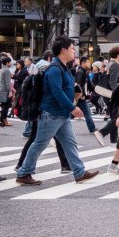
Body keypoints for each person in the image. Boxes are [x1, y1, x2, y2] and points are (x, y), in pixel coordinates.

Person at [13, 38, 99, 186]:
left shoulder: (63, 67)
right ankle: (24, 173)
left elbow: (64, 89)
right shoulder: (54, 68)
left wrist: (75, 95)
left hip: (61, 114)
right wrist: (73, 107)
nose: (74, 51)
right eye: (72, 48)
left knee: (70, 143)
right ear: (63, 50)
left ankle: (79, 172)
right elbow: (56, 91)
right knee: (39, 143)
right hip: (51, 114)